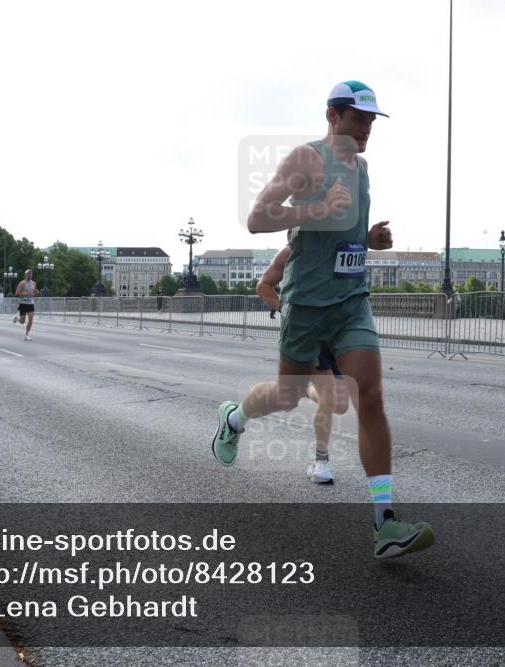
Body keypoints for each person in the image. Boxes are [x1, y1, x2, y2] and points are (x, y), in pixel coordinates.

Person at [211, 81, 433, 559]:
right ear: (332, 116)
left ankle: (385, 522)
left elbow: (345, 230)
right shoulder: (305, 161)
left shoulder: (364, 169)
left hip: (351, 301)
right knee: (287, 395)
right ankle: (234, 419)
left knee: (370, 394)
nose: (367, 127)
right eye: (358, 118)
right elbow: (257, 218)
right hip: (307, 304)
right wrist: (316, 210)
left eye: (372, 120)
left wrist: (368, 240)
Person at [256, 245, 349, 484]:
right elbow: (263, 286)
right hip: (306, 333)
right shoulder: (292, 251)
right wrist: (284, 309)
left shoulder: (342, 247)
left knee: (340, 405)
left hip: (335, 335)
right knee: (329, 398)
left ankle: (307, 391)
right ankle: (321, 464)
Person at [13, 269, 39, 341]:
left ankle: (26, 335)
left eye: (31, 274)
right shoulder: (22, 283)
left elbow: (34, 293)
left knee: (31, 320)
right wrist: (27, 294)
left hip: (31, 303)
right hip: (23, 304)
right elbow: (17, 293)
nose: (29, 275)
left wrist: (36, 293)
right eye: (28, 274)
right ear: (25, 275)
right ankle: (17, 318)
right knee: (22, 321)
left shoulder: (33, 283)